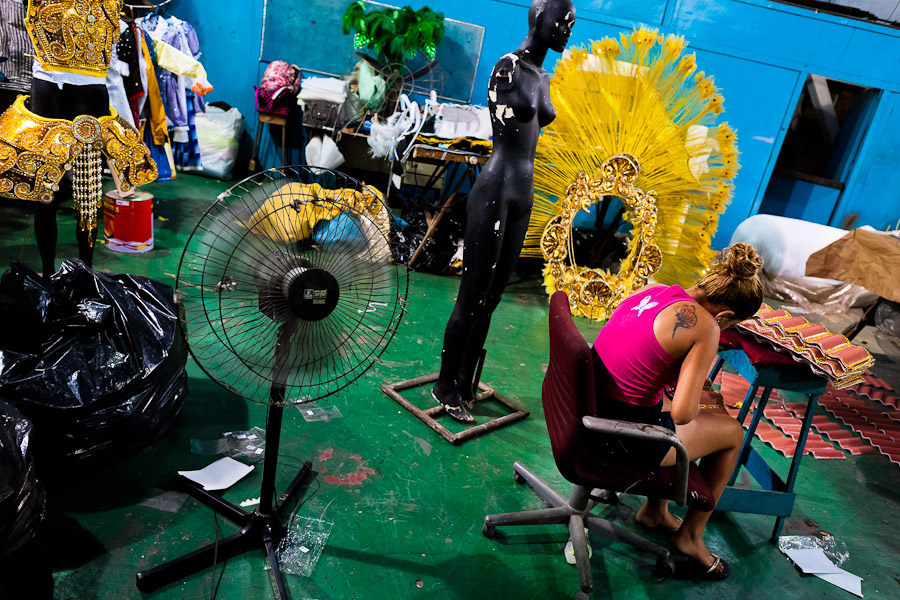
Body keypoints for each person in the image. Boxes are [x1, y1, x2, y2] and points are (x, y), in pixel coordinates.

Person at [432, 0, 576, 423]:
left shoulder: (543, 77)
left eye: (571, 24)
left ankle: (465, 379)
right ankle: (445, 384)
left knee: (493, 297)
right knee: (471, 295)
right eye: (562, 21)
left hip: (523, 194)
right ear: (538, 18)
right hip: (495, 188)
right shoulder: (507, 66)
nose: (567, 29)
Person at [592, 242, 764, 580]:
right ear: (726, 316)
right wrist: (705, 401)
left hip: (595, 406)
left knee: (682, 405)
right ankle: (690, 537)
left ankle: (654, 512)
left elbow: (645, 368)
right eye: (730, 326)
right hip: (622, 436)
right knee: (730, 433)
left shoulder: (655, 290)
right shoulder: (707, 326)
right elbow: (684, 415)